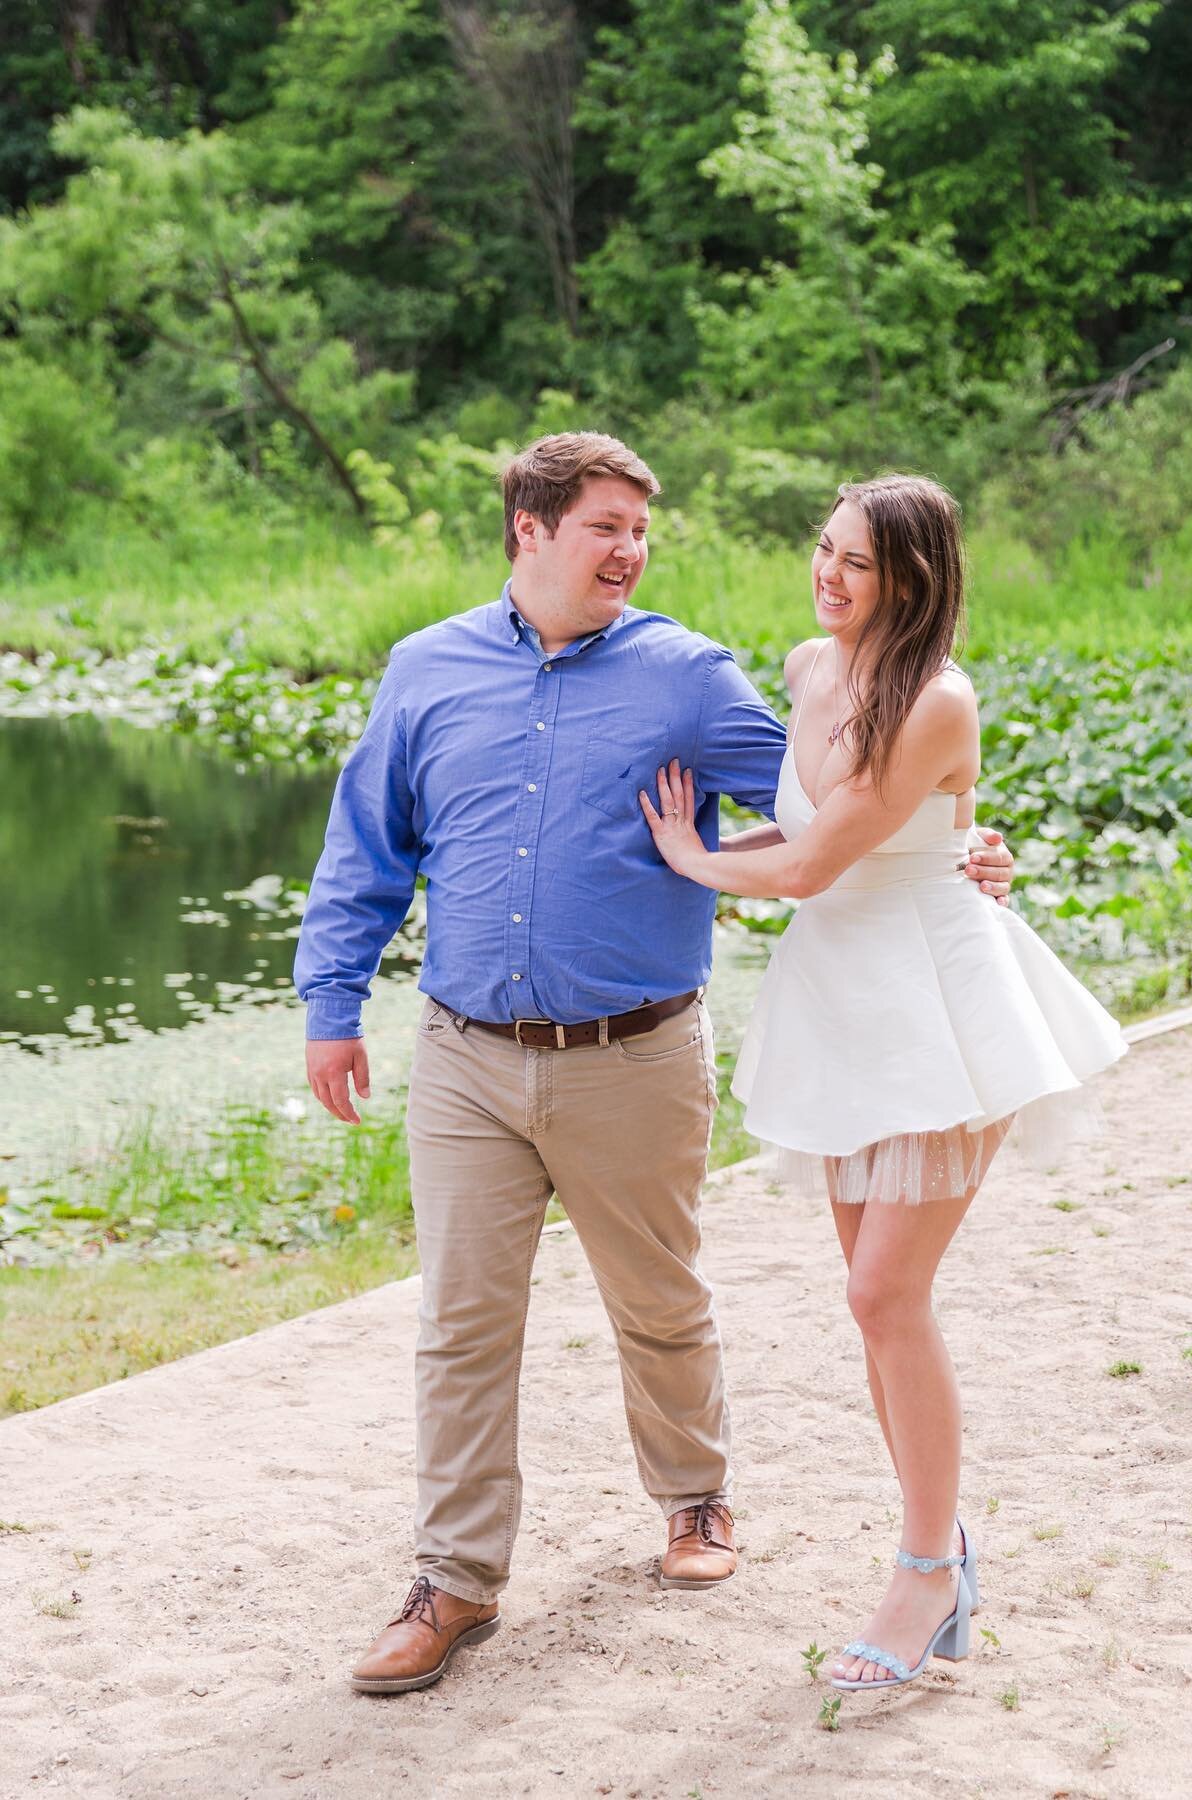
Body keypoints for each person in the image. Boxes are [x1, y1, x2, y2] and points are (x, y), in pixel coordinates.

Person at [294, 434, 1017, 1695]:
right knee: (459, 1322)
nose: (630, 549)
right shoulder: (425, 671)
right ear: (530, 529)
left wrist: (963, 847)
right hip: (465, 1048)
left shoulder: (689, 677)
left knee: (660, 1297)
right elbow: (369, 845)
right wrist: (329, 1002)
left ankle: (695, 1499)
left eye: (641, 528)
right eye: (605, 527)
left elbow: (828, 799)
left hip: (633, 1050)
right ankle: (455, 1580)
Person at [640, 473, 1127, 1693]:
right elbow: (810, 834)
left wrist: (693, 857)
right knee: (873, 1304)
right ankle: (942, 1552)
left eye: (858, 560)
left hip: (939, 1006)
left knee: (882, 1294)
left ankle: (922, 1569)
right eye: (824, 549)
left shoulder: (938, 698)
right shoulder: (812, 668)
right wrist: (697, 845)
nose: (830, 574)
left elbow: (812, 864)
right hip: (842, 1011)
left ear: (914, 576)